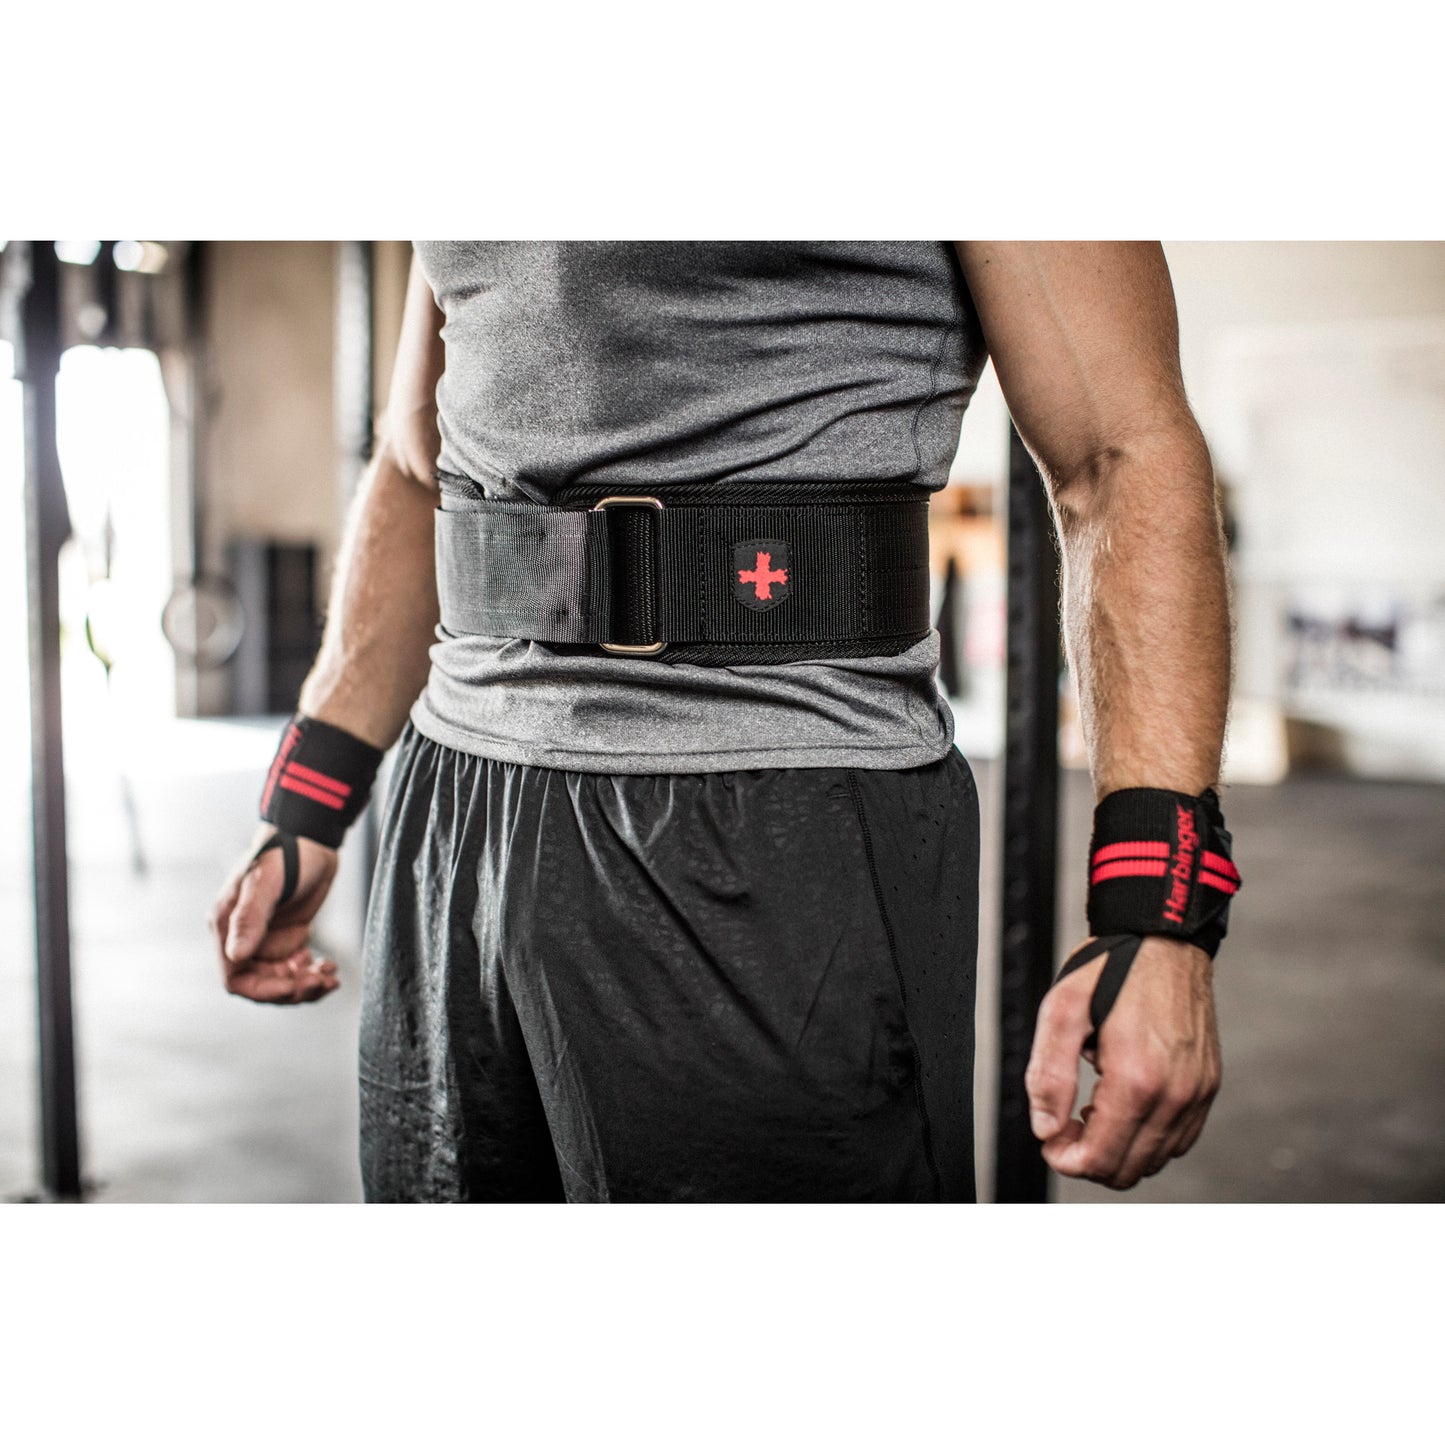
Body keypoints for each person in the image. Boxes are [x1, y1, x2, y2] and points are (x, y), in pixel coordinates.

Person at [208, 242, 1233, 1202]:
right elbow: (410, 461)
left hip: (770, 819)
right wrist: (308, 797)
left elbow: (1115, 454)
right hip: (454, 820)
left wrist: (1156, 908)